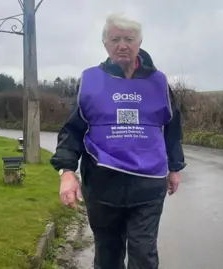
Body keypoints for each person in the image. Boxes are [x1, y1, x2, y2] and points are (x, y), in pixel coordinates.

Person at [49, 13, 186, 269]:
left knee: (143, 255)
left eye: (129, 39)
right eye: (115, 39)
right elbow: (72, 129)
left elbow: (172, 127)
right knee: (108, 256)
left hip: (148, 184)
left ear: (139, 42)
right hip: (102, 185)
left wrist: (175, 167)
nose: (122, 44)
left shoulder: (159, 83)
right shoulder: (89, 80)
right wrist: (67, 171)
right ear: (105, 44)